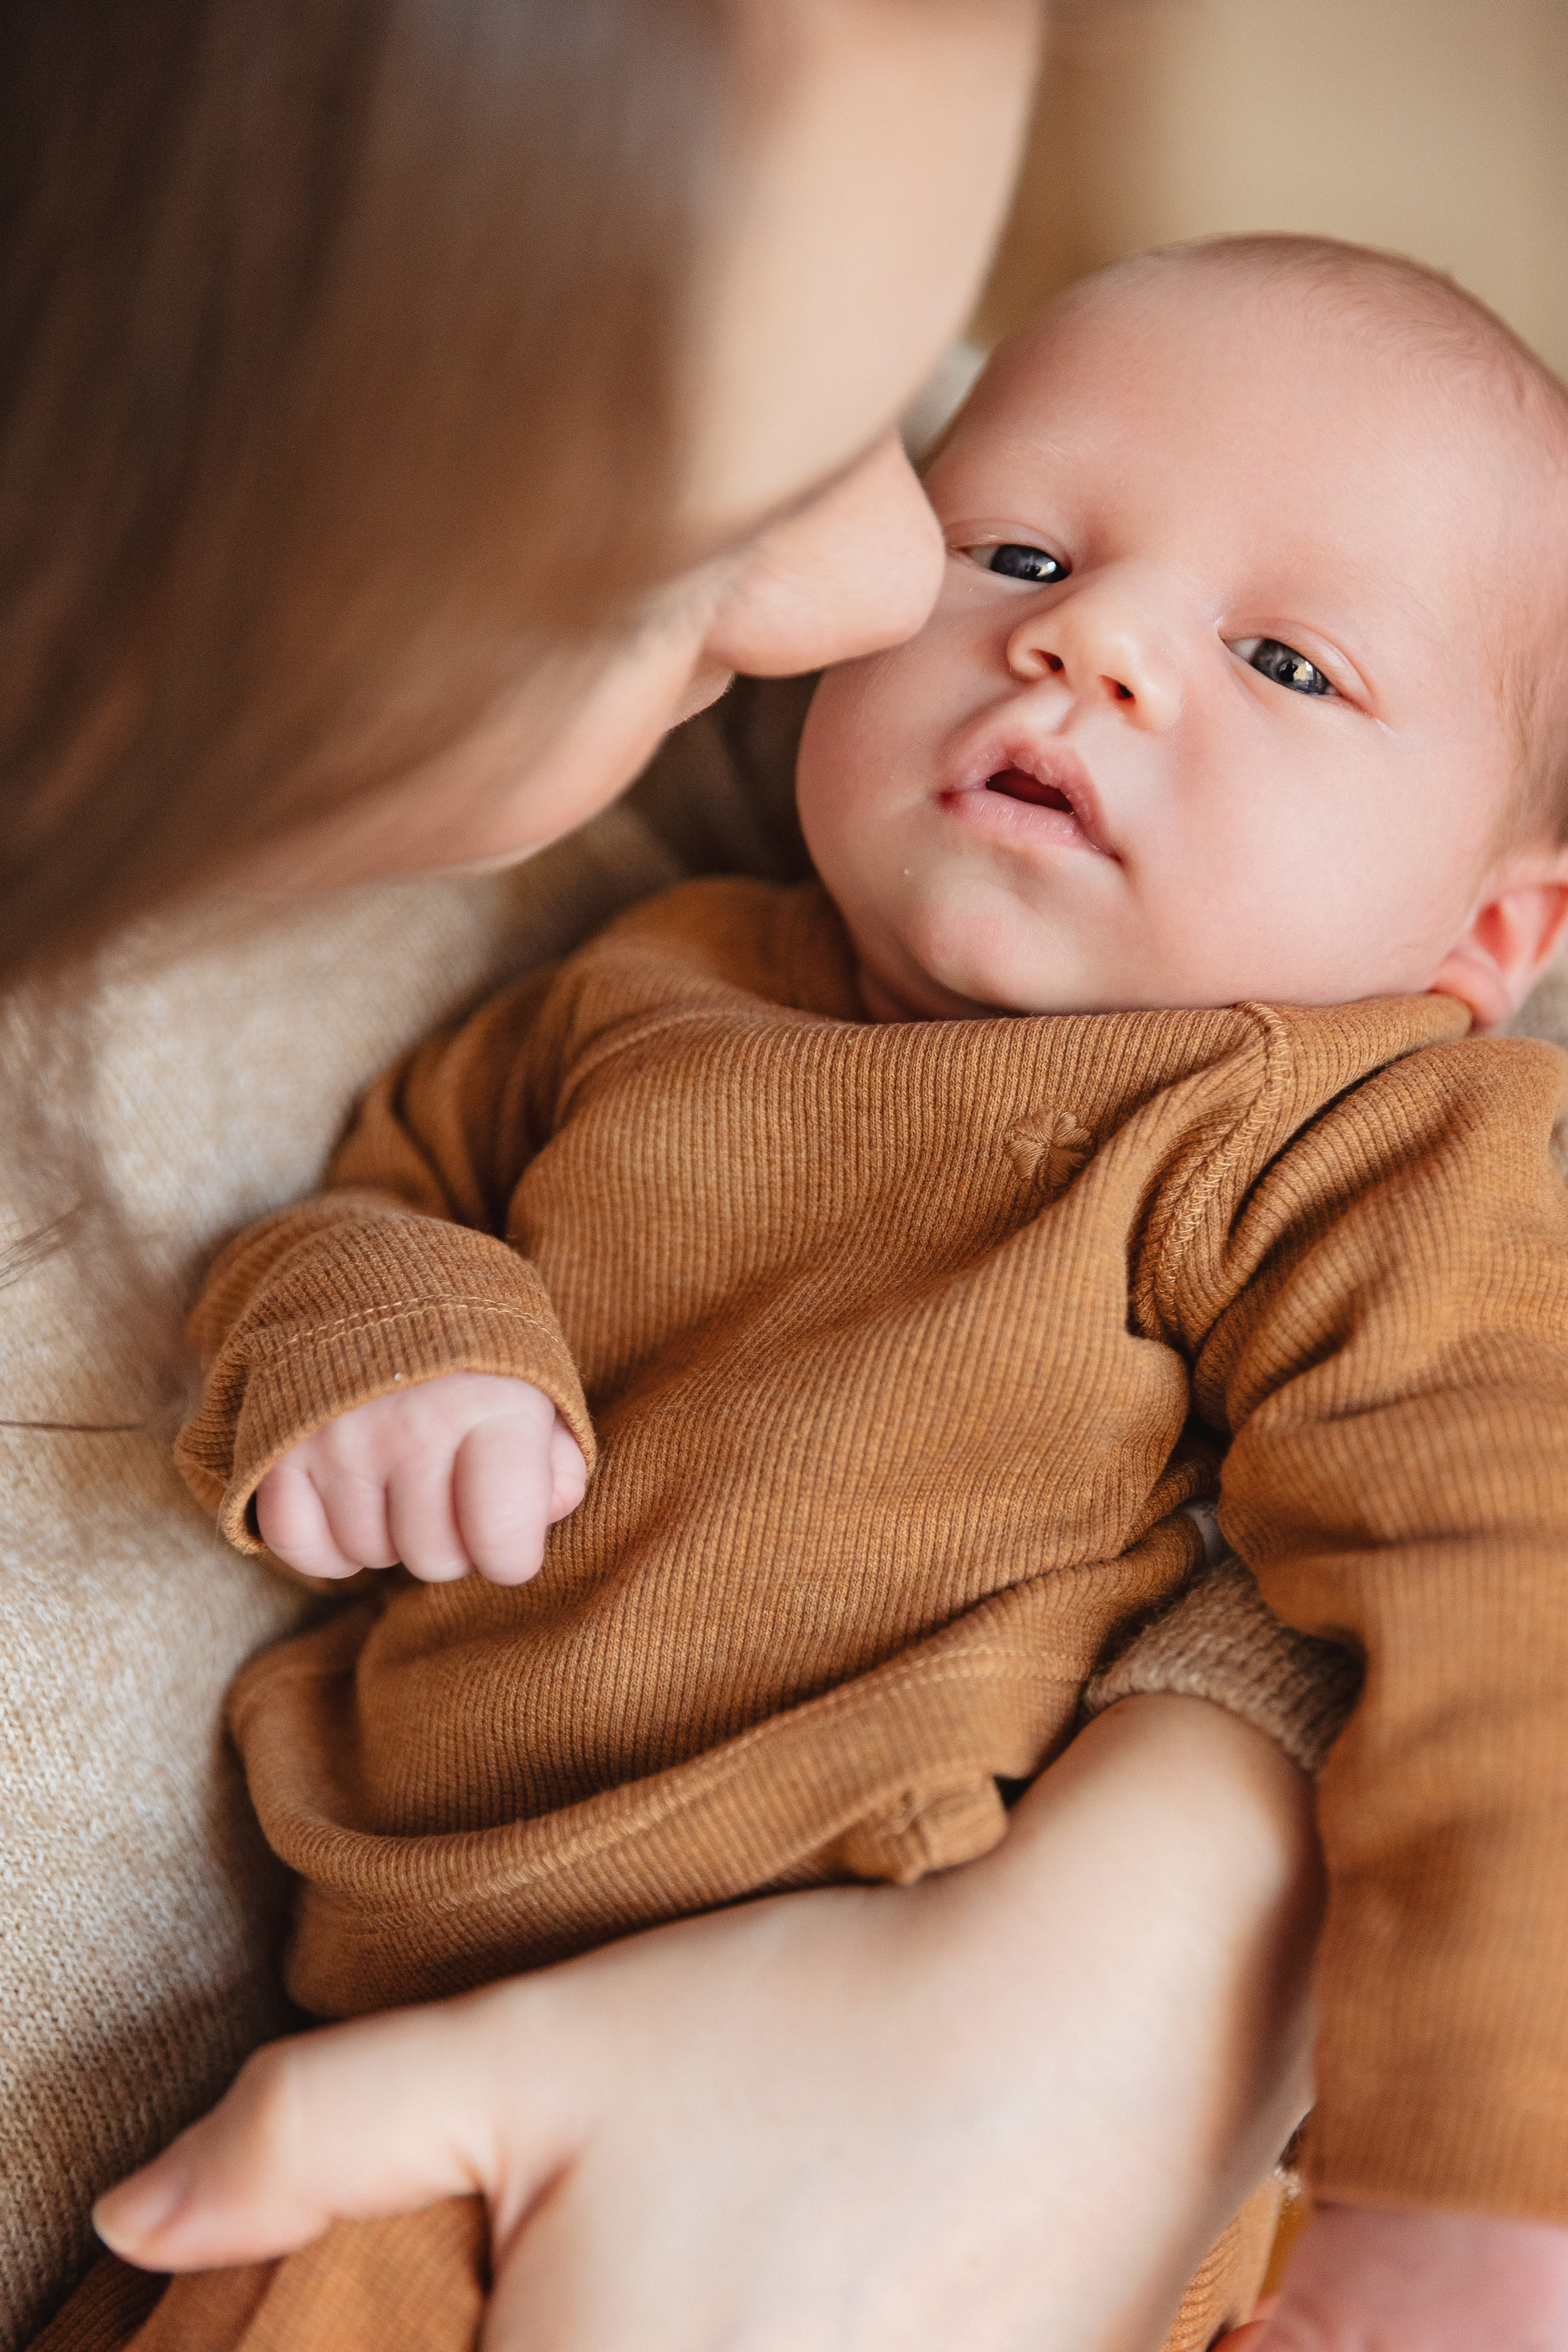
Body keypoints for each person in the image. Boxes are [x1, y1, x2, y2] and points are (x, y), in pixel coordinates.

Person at [91, 234, 1568, 2351]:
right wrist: (396, 1352)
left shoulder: (1344, 1133)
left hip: (958, 2144)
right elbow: (375, 1205)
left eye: (1290, 665)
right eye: (1023, 552)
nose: (1097, 653)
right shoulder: (647, 979)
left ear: (1488, 942)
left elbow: (1514, 1562)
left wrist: (1485, 2186)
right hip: (409, 2042)